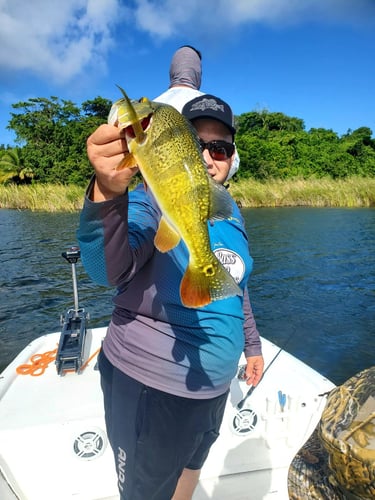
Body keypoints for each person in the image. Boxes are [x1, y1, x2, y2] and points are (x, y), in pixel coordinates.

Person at [77, 92, 264, 500]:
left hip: (212, 391)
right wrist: (108, 192)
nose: (210, 156)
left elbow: (236, 284)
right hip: (151, 388)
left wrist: (252, 346)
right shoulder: (149, 201)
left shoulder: (228, 209)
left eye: (221, 147)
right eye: (198, 145)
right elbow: (107, 269)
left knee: (189, 474)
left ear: (232, 157)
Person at [155, 44, 240, 182]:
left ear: (172, 70)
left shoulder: (150, 106)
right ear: (198, 73)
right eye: (195, 146)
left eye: (220, 150)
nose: (206, 161)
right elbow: (233, 165)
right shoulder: (210, 102)